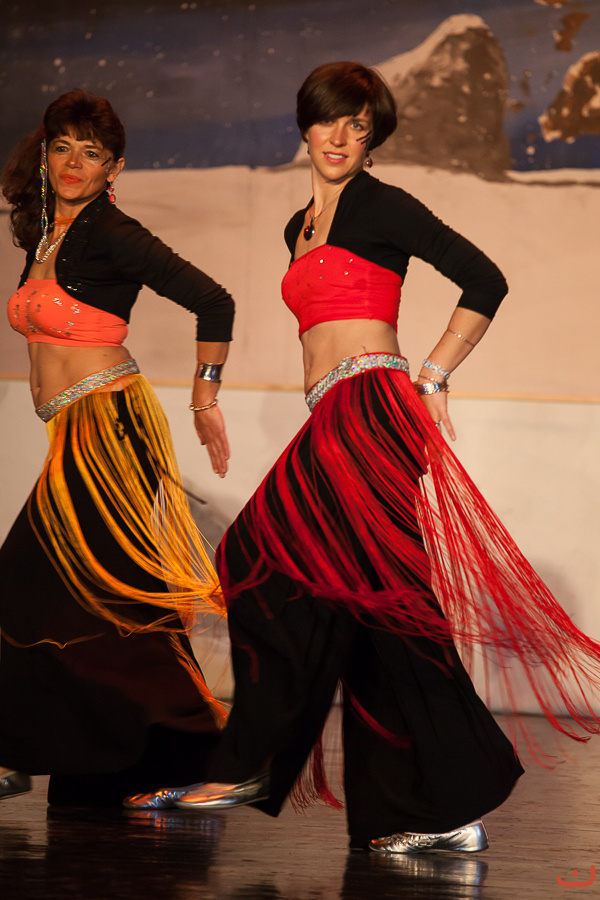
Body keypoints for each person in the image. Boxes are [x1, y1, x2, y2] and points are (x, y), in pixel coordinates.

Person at [126, 62, 600, 853]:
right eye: (329, 120)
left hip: (371, 408)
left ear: (373, 137)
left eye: (358, 125)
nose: (341, 137)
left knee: (256, 553)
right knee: (381, 612)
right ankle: (432, 809)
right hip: (335, 413)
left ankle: (250, 766)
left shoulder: (383, 206)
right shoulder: (297, 226)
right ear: (306, 125)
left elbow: (484, 279)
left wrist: (434, 373)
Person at [0, 89, 234, 806]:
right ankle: (153, 756)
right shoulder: (45, 230)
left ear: (114, 167)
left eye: (92, 152)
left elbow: (214, 301)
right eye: (63, 147)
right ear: (45, 152)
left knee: (27, 580)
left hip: (111, 429)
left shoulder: (113, 231)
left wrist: (204, 399)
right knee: (109, 603)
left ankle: (23, 752)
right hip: (72, 431)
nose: (74, 163)